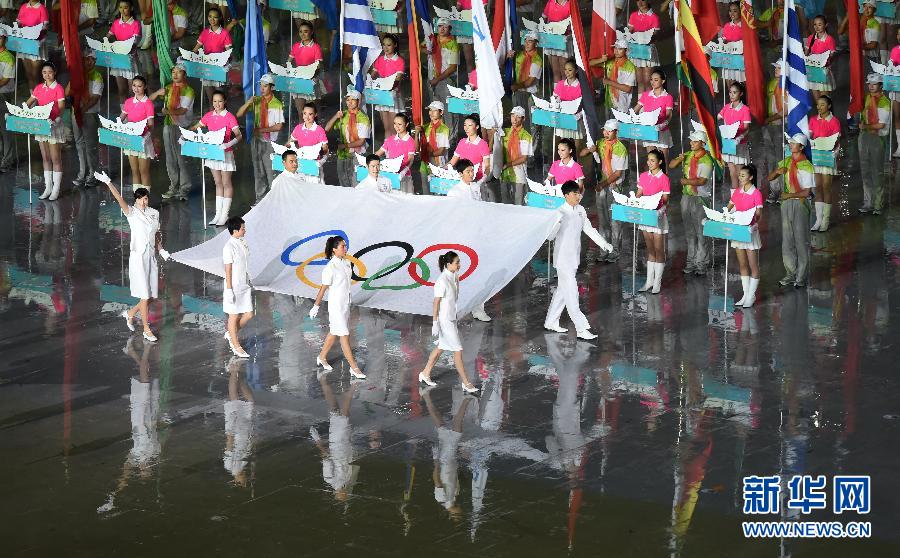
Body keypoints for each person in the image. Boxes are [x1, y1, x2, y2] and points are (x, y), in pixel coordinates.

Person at [543, 180, 614, 339]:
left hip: (574, 258)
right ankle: (581, 329)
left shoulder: (581, 210)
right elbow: (550, 237)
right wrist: (556, 223)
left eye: (579, 193)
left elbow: (589, 229)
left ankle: (551, 322)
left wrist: (604, 244)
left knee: (563, 292)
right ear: (566, 195)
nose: (578, 196)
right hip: (562, 260)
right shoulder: (559, 212)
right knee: (572, 294)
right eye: (575, 193)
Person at [97, 173, 163, 342]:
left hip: (151, 257)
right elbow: (119, 198)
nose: (144, 202)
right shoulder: (131, 212)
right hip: (138, 257)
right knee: (144, 295)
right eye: (141, 199)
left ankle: (131, 313)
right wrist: (109, 183)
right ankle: (146, 329)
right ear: (135, 200)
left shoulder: (154, 213)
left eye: (146, 199)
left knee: (152, 295)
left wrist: (161, 249)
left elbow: (156, 233)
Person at [418, 251, 480, 393]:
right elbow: (436, 302)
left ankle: (425, 373)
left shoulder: (454, 276)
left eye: (459, 262)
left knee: (440, 347)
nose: (459, 265)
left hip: (452, 318)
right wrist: (435, 322)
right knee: (457, 350)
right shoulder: (442, 281)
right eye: (457, 262)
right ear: (448, 264)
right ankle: (466, 382)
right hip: (444, 320)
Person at [309, 235, 367, 381]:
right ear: (334, 249)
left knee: (334, 332)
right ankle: (354, 367)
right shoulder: (330, 268)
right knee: (344, 335)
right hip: (335, 306)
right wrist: (316, 306)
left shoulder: (347, 263)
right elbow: (323, 289)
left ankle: (322, 357)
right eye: (342, 246)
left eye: (345, 246)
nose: (345, 248)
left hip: (345, 305)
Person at [446, 159, 493, 322]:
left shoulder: (475, 187)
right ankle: (452, 309)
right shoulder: (454, 192)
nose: (472, 174)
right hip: (461, 237)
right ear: (460, 174)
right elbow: (451, 216)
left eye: (473, 171)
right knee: (458, 275)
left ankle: (478, 309)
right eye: (468, 172)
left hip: (477, 236)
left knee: (479, 274)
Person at [766, 133, 813, 288]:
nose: (790, 145)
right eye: (790, 143)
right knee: (787, 241)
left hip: (799, 204)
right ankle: (790, 273)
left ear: (801, 147)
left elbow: (806, 192)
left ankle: (801, 276)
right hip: (786, 204)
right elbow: (769, 178)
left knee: (800, 240)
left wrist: (789, 195)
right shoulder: (786, 161)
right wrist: (777, 172)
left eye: (793, 143)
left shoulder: (806, 166)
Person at [192, 90, 242, 226]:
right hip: (212, 153)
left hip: (225, 153)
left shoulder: (230, 117)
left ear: (225, 101)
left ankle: (225, 215)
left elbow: (239, 135)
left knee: (226, 183)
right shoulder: (208, 116)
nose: (217, 104)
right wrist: (186, 137)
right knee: (218, 183)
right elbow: (195, 128)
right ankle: (217, 214)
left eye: (220, 101)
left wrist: (228, 144)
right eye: (214, 101)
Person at [581, 119, 628, 262]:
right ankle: (604, 249)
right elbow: (582, 154)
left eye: (609, 131)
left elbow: (618, 173)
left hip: (615, 187)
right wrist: (591, 149)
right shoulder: (600, 143)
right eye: (604, 130)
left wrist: (602, 184)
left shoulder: (620, 149)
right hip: (601, 186)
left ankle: (615, 251)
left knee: (615, 221)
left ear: (616, 132)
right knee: (603, 220)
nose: (605, 133)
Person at [669, 131, 713, 275]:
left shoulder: (707, 160)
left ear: (702, 143)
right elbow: (671, 165)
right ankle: (691, 261)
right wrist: (679, 159)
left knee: (700, 232)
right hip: (687, 196)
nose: (691, 143)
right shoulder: (688, 155)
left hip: (701, 198)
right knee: (689, 231)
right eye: (691, 141)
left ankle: (702, 263)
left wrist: (686, 181)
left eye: (694, 141)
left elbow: (702, 181)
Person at [149, 63, 195, 201]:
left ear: (184, 75)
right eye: (173, 72)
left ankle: (184, 189)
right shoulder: (168, 88)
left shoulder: (189, 91)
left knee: (181, 159)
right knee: (170, 159)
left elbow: (183, 111)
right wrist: (158, 93)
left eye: (178, 72)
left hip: (182, 128)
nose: (175, 74)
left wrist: (166, 112)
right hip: (168, 126)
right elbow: (148, 100)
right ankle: (173, 187)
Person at [236, 73, 284, 203]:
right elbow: (239, 114)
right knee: (258, 170)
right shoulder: (257, 101)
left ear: (272, 87)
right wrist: (248, 103)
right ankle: (260, 198)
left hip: (269, 142)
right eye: (261, 86)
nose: (262, 88)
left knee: (271, 171)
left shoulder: (276, 104)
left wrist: (262, 130)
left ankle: (275, 199)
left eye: (265, 86)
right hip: (256, 140)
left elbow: (279, 126)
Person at [27, 62, 65, 201]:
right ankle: (47, 187)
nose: (47, 75)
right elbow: (28, 103)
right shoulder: (38, 88)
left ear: (54, 73)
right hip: (41, 125)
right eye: (44, 72)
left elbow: (61, 106)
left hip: (53, 124)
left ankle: (56, 189)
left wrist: (52, 117)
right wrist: (21, 111)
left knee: (55, 158)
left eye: (49, 72)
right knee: (45, 158)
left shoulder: (59, 88)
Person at [726, 165, 763, 308]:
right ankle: (745, 294)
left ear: (751, 177)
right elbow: (728, 208)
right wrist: (722, 217)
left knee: (753, 265)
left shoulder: (756, 193)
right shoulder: (736, 192)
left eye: (742, 175)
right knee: (742, 264)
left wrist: (753, 225)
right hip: (738, 232)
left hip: (750, 232)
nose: (739, 177)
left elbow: (759, 215)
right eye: (739, 175)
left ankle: (751, 295)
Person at [636, 149, 670, 294]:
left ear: (660, 162)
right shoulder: (643, 176)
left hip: (658, 216)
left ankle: (657, 282)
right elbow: (639, 194)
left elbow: (665, 199)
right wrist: (634, 201)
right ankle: (649, 281)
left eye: (652, 160)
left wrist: (659, 210)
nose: (649, 163)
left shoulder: (664, 179)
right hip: (645, 216)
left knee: (658, 249)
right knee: (650, 250)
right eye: (648, 160)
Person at [68, 52, 103, 189]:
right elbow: (67, 93)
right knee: (79, 144)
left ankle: (92, 175)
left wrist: (82, 110)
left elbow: (95, 98)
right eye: (87, 59)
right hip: (76, 113)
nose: (90, 62)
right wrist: (74, 79)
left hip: (89, 114)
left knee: (91, 146)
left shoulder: (97, 76)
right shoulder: (77, 75)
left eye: (93, 60)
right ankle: (82, 173)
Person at [857, 73, 888, 216]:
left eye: (874, 84)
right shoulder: (867, 98)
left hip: (877, 139)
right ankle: (868, 202)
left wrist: (866, 127)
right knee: (865, 171)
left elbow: (881, 125)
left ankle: (878, 203)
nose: (871, 86)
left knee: (877, 171)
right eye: (869, 84)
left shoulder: (884, 102)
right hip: (865, 137)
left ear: (881, 85)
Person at [325, 90, 370, 188]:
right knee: (343, 182)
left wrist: (344, 146)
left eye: (352, 100)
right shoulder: (343, 115)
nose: (349, 102)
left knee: (356, 183)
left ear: (358, 101)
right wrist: (336, 117)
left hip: (357, 155)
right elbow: (327, 128)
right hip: (342, 155)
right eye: (347, 100)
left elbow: (361, 141)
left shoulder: (363, 118)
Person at [808, 95, 840, 232]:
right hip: (816, 158)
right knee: (818, 188)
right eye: (818, 105)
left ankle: (826, 220)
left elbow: (837, 142)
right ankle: (818, 219)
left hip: (827, 158)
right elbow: (809, 135)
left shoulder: (834, 121)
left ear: (829, 106)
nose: (819, 107)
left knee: (826, 187)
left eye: (822, 104)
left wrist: (833, 154)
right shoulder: (813, 120)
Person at [223, 216, 253, 359]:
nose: (245, 230)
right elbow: (228, 270)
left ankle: (231, 333)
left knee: (249, 314)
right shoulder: (228, 247)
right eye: (243, 228)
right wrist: (229, 290)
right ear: (235, 230)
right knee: (233, 316)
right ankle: (236, 346)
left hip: (244, 284)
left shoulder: (243, 241)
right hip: (234, 285)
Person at [120, 75, 156, 192]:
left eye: (139, 86)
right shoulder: (128, 102)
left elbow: (151, 124)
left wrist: (145, 134)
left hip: (143, 140)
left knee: (143, 171)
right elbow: (121, 118)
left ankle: (145, 198)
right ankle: (137, 198)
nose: (136, 88)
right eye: (134, 85)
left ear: (144, 87)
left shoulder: (148, 103)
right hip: (131, 140)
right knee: (134, 171)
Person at [426, 18, 459, 136]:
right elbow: (420, 48)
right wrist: (427, 50)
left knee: (448, 111)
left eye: (445, 26)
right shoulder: (431, 40)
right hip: (432, 80)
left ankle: (451, 138)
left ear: (450, 29)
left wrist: (437, 79)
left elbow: (453, 67)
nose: (442, 28)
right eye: (440, 26)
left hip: (446, 81)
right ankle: (438, 137)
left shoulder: (453, 44)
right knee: (435, 111)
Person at [370, 34, 406, 141]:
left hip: (393, 96)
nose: (385, 48)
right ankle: (388, 153)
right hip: (381, 96)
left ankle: (397, 152)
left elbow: (397, 80)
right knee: (387, 128)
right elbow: (372, 75)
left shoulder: (399, 61)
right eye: (384, 45)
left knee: (395, 129)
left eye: (389, 45)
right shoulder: (380, 60)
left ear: (395, 45)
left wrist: (386, 85)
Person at [718, 82, 752, 194]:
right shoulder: (726, 107)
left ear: (741, 94)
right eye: (730, 92)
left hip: (739, 144)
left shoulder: (745, 109)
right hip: (728, 144)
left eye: (734, 92)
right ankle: (735, 199)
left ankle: (744, 197)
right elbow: (716, 118)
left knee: (740, 173)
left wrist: (740, 137)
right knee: (732, 173)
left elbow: (746, 128)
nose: (731, 95)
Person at [193, 6, 233, 101]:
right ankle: (212, 115)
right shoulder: (205, 32)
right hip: (207, 67)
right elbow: (195, 49)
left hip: (219, 68)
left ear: (220, 18)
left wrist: (224, 63)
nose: (212, 19)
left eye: (215, 17)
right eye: (210, 16)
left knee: (220, 99)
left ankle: (223, 115)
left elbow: (229, 53)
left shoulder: (224, 33)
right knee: (211, 99)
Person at [634, 68, 674, 159]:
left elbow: (669, 115)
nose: (652, 82)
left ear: (663, 81)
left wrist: (663, 125)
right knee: (652, 162)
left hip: (662, 131)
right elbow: (636, 109)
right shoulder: (646, 95)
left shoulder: (668, 97)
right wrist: (628, 117)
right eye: (651, 79)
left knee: (663, 162)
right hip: (649, 131)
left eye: (656, 80)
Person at [762, 60, 787, 203]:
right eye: (775, 68)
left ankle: (784, 190)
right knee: (771, 159)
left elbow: (785, 111)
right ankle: (774, 190)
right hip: (769, 126)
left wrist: (770, 119)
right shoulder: (771, 83)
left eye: (778, 68)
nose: (776, 70)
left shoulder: (787, 86)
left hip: (780, 126)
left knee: (781, 159)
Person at [107, 0, 141, 103]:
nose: (122, 10)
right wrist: (105, 43)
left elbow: (133, 43)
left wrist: (118, 45)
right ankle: (124, 115)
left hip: (129, 60)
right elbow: (108, 36)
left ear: (131, 8)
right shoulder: (116, 23)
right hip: (118, 59)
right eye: (120, 7)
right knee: (121, 91)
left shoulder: (136, 24)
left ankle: (133, 114)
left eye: (125, 7)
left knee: (133, 91)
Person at [374, 113, 417, 194]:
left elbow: (411, 159)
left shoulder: (410, 141)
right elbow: (378, 153)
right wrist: (366, 161)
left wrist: (404, 171)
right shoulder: (390, 139)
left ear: (406, 124)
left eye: (399, 124)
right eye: (394, 123)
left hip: (403, 176)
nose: (396, 126)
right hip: (390, 175)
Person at [287, 19, 324, 111]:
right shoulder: (296, 46)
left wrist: (309, 75)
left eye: (305, 31)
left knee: (310, 113)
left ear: (311, 32)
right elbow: (288, 62)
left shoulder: (316, 47)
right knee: (300, 112)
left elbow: (318, 67)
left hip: (310, 81)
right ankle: (301, 126)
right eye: (300, 32)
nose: (302, 34)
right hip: (298, 80)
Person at [590, 39, 636, 113]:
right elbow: (590, 63)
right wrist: (601, 60)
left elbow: (627, 89)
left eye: (620, 49)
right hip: (610, 102)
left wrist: (609, 82)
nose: (616, 51)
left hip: (623, 104)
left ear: (626, 51)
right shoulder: (611, 62)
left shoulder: (630, 67)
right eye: (615, 48)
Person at [500, 106, 534, 205]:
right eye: (513, 116)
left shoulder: (526, 136)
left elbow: (524, 158)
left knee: (518, 202)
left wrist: (507, 165)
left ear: (523, 119)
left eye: (518, 117)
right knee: (505, 202)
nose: (514, 119)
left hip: (519, 173)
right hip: (505, 173)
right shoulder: (504, 132)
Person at [287, 102, 328, 183]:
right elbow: (289, 143)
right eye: (305, 113)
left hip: (314, 165)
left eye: (310, 114)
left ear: (315, 115)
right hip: (300, 164)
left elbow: (325, 149)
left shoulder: (319, 130)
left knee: (315, 191)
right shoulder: (298, 128)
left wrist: (321, 161)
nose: (307, 117)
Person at [447, 114, 491, 187]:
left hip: (476, 181)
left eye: (470, 125)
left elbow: (487, 166)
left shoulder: (482, 144)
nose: (466, 128)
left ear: (477, 127)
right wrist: (440, 170)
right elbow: (452, 162)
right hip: (462, 181)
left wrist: (482, 180)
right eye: (465, 125)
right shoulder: (462, 142)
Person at [627, 0, 660, 94]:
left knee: (647, 80)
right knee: (640, 80)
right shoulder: (633, 15)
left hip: (647, 50)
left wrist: (640, 36)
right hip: (636, 50)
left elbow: (654, 36)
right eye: (638, 0)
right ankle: (641, 106)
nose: (640, 3)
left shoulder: (654, 17)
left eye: (643, 0)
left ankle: (650, 105)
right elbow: (630, 32)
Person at [16, 0, 50, 90]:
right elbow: (18, 24)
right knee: (29, 74)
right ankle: (33, 99)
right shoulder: (23, 7)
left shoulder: (42, 8)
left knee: (36, 75)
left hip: (37, 44)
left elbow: (45, 29)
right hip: (24, 44)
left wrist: (36, 37)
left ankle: (42, 98)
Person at [509, 31, 543, 115]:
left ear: (536, 43)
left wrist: (515, 87)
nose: (527, 44)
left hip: (530, 94)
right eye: (526, 41)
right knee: (516, 117)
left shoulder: (537, 60)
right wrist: (508, 57)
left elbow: (530, 82)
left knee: (527, 120)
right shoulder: (519, 55)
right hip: (517, 92)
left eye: (530, 41)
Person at [552, 58, 585, 145]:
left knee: (576, 149)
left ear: (576, 70)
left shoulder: (581, 86)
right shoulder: (560, 84)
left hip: (576, 120)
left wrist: (579, 115)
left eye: (570, 70)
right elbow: (554, 98)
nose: (567, 72)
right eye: (565, 69)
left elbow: (585, 105)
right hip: (563, 119)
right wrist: (556, 101)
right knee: (564, 147)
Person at [805, 15, 836, 102]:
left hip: (823, 71)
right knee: (817, 101)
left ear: (825, 25)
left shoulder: (829, 39)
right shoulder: (811, 38)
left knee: (824, 100)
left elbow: (832, 56)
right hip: (813, 70)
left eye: (820, 24)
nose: (817, 27)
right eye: (815, 24)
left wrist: (824, 62)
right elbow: (806, 54)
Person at [417, 101, 450, 181]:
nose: (431, 113)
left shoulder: (444, 129)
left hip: (438, 163)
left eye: (434, 110)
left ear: (441, 112)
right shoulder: (425, 127)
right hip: (425, 163)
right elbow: (417, 148)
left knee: (437, 188)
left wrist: (427, 154)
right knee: (426, 190)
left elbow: (441, 150)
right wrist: (416, 134)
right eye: (430, 110)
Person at [542, 0, 574, 83]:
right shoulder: (550, 2)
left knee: (565, 72)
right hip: (551, 40)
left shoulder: (570, 4)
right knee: (555, 71)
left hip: (564, 40)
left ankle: (566, 93)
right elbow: (544, 19)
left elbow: (574, 23)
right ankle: (557, 94)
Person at [720, 2, 746, 87]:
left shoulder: (745, 26)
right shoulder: (727, 26)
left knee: (741, 85)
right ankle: (732, 101)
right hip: (728, 60)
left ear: (740, 11)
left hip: (740, 60)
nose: (732, 13)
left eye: (735, 11)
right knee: (730, 86)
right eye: (730, 11)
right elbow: (724, 40)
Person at [0, 28, 14, 173]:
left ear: (5, 39)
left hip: (4, 95)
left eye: (1, 38)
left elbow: (5, 80)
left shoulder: (8, 57)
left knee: (5, 129)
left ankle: (7, 159)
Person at [889, 26, 900, 157]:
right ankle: (899, 146)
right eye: (898, 34)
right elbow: (892, 63)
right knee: (898, 116)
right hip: (897, 87)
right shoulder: (895, 50)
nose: (899, 36)